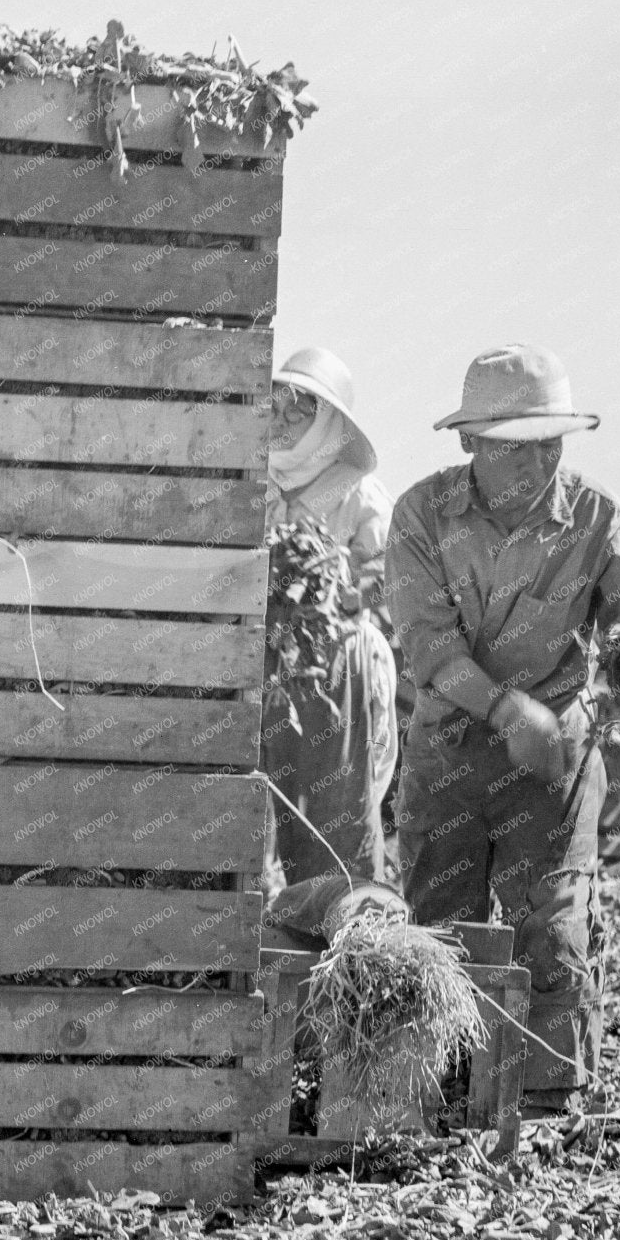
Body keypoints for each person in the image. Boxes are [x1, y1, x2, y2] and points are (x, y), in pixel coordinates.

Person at [385, 344, 620, 1118]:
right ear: (469, 442)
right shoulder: (421, 516)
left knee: (550, 925)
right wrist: (507, 711)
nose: (536, 459)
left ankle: (548, 1098)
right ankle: (440, 1089)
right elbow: (431, 649)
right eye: (515, 444)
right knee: (440, 925)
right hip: (450, 748)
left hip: (554, 760)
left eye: (549, 442)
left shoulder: (597, 519)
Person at [261, 346, 399, 885]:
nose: (285, 418)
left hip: (339, 668)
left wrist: (335, 593)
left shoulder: (358, 494)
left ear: (330, 424)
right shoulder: (248, 485)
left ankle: (336, 893)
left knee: (335, 798)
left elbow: (388, 584)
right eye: (278, 404)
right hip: (260, 660)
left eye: (304, 408)